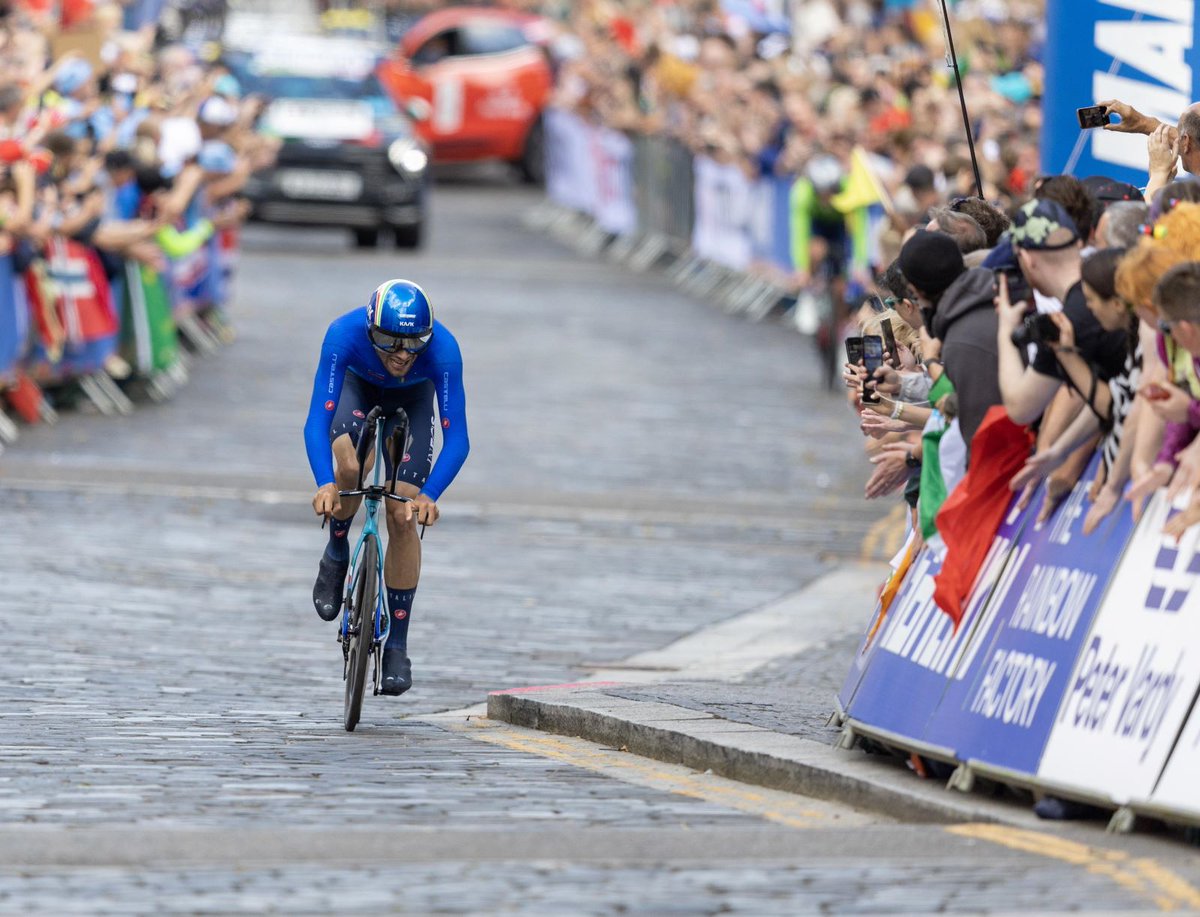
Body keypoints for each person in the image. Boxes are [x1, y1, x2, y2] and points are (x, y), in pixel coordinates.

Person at [304, 279, 469, 696]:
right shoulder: (343, 334)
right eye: (388, 341)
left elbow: (459, 438)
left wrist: (431, 496)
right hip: (357, 387)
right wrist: (325, 484)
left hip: (413, 401)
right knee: (349, 467)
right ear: (369, 328)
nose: (400, 354)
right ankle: (337, 550)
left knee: (402, 513)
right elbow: (316, 423)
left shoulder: (444, 351)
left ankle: (397, 645)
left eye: (413, 344)